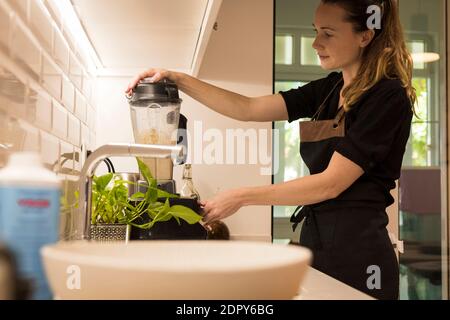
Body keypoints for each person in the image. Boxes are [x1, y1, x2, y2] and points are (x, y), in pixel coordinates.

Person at [126, 0, 415, 300]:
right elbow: (248, 107)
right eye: (316, 31)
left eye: (328, 33)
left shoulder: (387, 97)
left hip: (359, 257)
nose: (316, 43)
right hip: (316, 244)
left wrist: (241, 196)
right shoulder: (329, 89)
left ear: (365, 36)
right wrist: (177, 79)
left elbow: (331, 183)